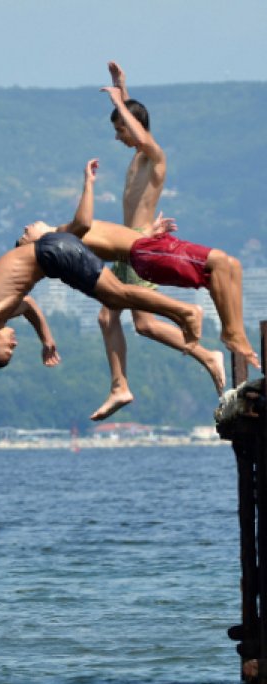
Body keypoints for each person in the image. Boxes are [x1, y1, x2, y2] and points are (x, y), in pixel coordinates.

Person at [0, 160, 203, 370]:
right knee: (116, 294)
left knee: (117, 295)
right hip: (54, 255)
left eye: (7, 349)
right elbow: (31, 308)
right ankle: (181, 311)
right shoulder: (4, 311)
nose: (14, 344)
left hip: (52, 256)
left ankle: (185, 311)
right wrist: (46, 339)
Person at [19, 160, 260, 371]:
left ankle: (238, 336)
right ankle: (231, 334)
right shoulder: (61, 238)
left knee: (232, 265)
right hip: (147, 253)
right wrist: (88, 183)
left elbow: (112, 239)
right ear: (35, 244)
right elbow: (83, 222)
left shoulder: (63, 235)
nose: (25, 228)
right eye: (24, 236)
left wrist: (145, 232)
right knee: (218, 262)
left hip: (147, 245)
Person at [92, 61, 225, 420]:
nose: (118, 137)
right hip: (126, 246)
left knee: (144, 324)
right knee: (109, 318)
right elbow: (139, 126)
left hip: (137, 247)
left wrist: (122, 105)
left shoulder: (155, 156)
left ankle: (206, 355)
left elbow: (141, 131)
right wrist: (122, 88)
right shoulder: (139, 157)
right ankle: (120, 386)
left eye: (120, 129)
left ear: (133, 127)